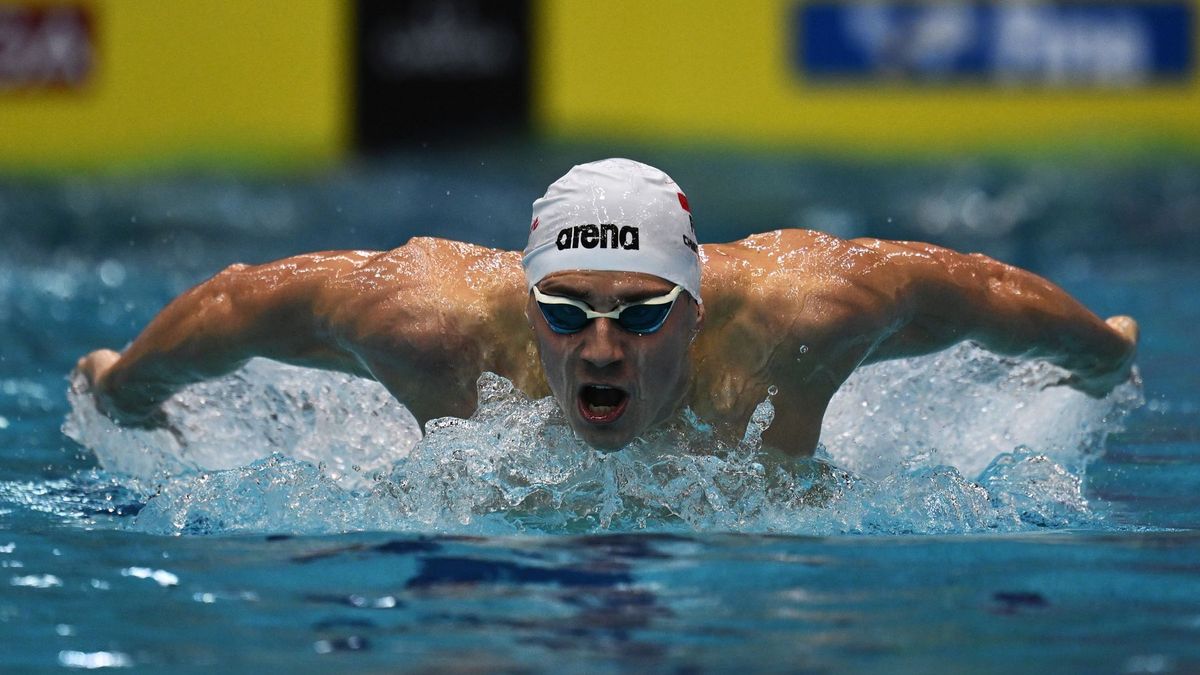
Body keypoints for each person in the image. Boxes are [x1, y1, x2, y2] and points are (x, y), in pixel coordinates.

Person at [75, 159, 1138, 456]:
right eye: (565, 311)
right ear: (525, 295)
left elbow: (972, 291)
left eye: (638, 315)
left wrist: (1096, 356)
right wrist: (129, 387)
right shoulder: (428, 324)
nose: (597, 346)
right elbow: (242, 305)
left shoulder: (797, 320)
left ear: (695, 303)